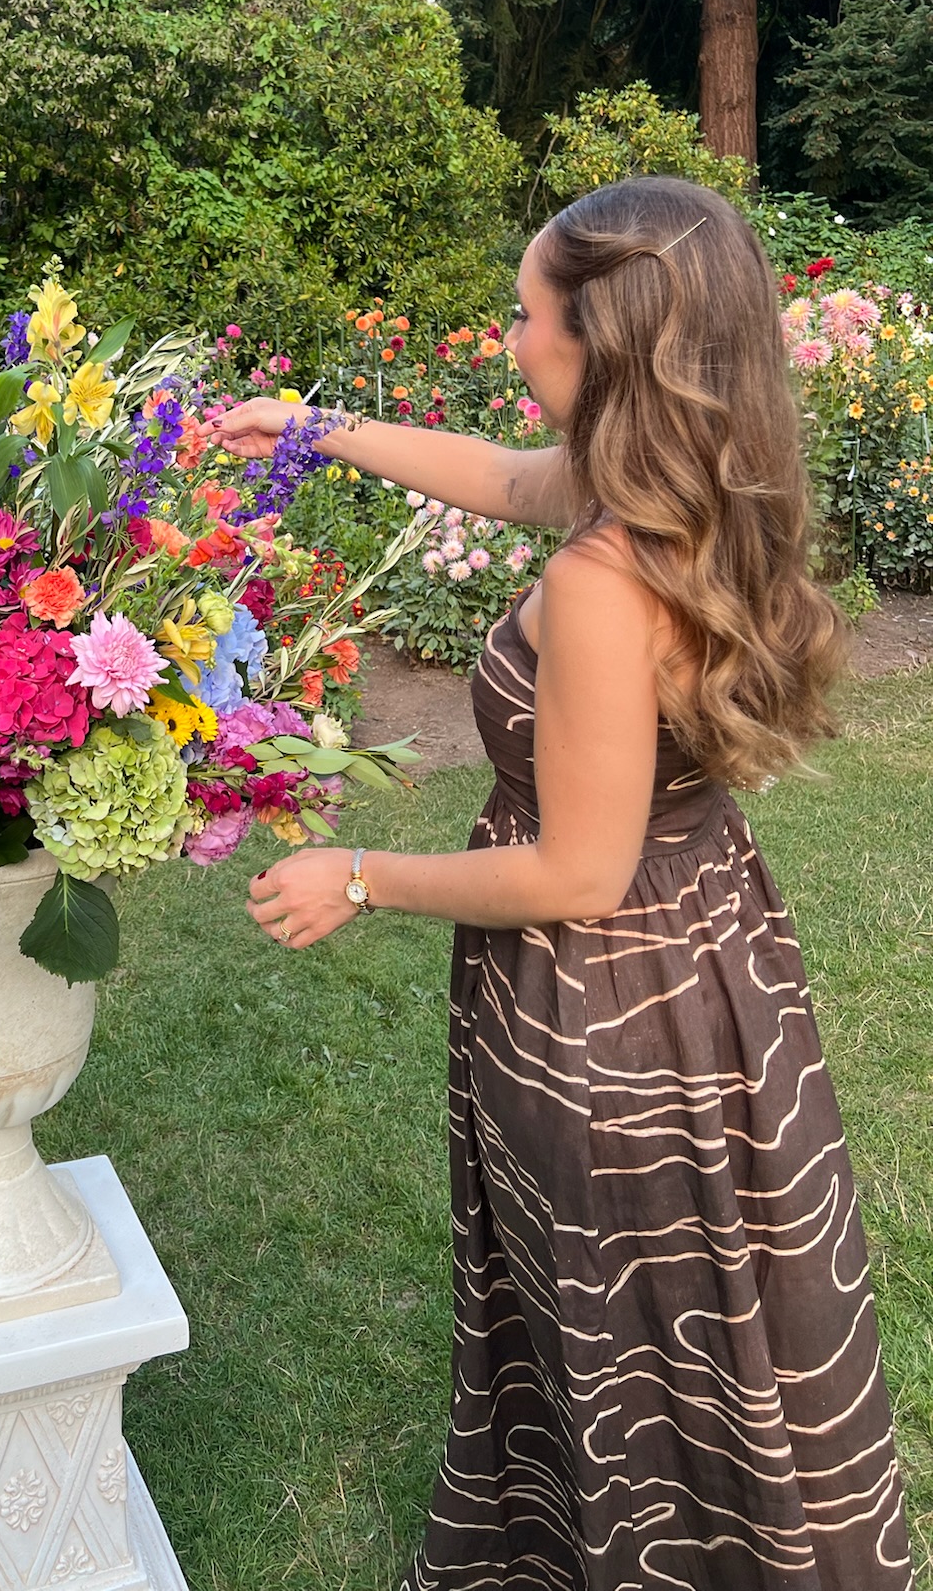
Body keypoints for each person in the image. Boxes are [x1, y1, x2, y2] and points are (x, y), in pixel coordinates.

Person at [207, 178, 912, 1591]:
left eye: (529, 316)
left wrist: (359, 874)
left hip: (608, 1006)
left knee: (627, 1322)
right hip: (709, 957)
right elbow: (498, 474)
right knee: (721, 1308)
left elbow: (578, 868)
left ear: (610, 347)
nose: (511, 338)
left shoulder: (603, 576)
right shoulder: (688, 487)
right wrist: (312, 429)